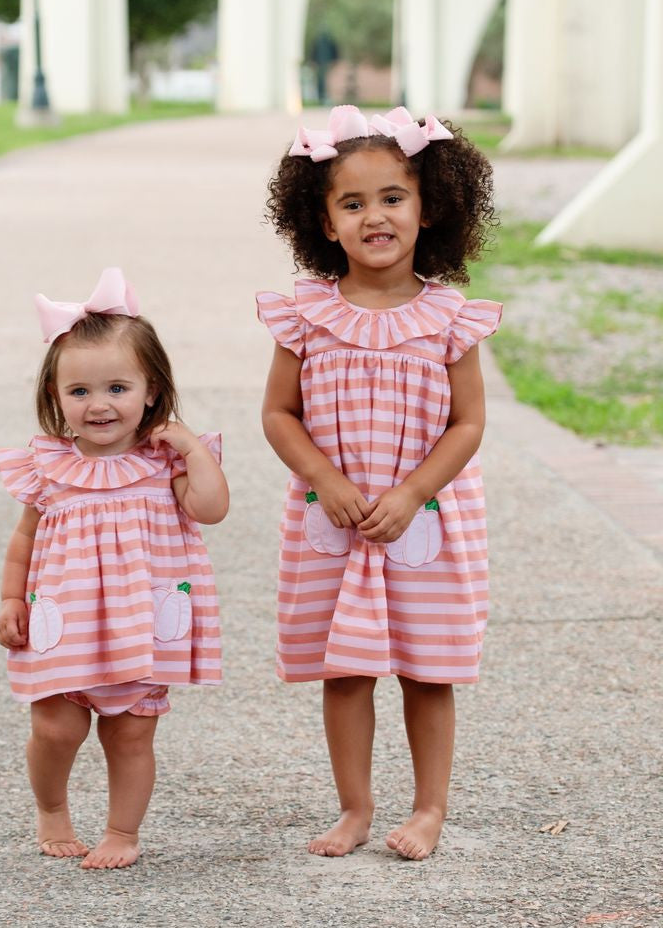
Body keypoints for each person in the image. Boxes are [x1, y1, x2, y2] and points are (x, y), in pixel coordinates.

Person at [257, 105, 501, 861]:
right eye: (352, 203)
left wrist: (413, 491)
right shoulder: (307, 314)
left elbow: (467, 423)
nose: (375, 217)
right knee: (346, 667)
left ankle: (429, 808)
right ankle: (355, 808)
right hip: (338, 518)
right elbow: (277, 413)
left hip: (422, 520)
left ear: (428, 207)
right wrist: (323, 478)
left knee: (428, 669)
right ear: (324, 223)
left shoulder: (450, 317)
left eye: (392, 197)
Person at [0, 268, 228, 870]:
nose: (99, 405)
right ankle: (52, 809)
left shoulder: (163, 463)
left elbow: (212, 510)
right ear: (56, 398)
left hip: (137, 627)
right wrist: (11, 600)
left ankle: (123, 831)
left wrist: (194, 450)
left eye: (118, 388)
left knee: (129, 734)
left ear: (152, 390)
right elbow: (24, 540)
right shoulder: (49, 467)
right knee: (55, 729)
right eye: (79, 393)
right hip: (62, 624)